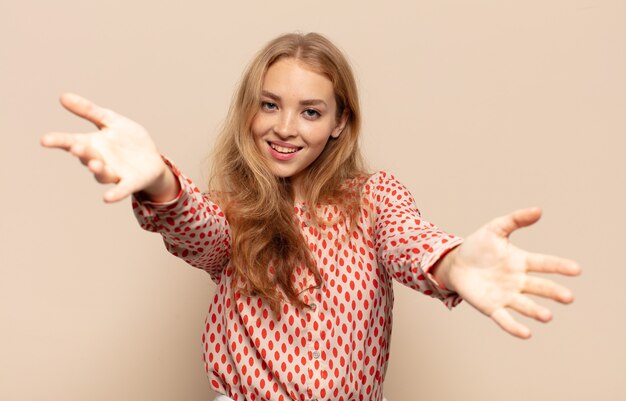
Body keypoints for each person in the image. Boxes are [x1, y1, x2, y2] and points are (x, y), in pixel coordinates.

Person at [41, 32, 581, 401]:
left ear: (341, 122)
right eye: (270, 104)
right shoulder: (235, 211)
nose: (285, 128)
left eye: (311, 112)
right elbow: (195, 225)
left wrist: (455, 261)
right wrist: (160, 178)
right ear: (249, 109)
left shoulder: (373, 199)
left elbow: (409, 240)